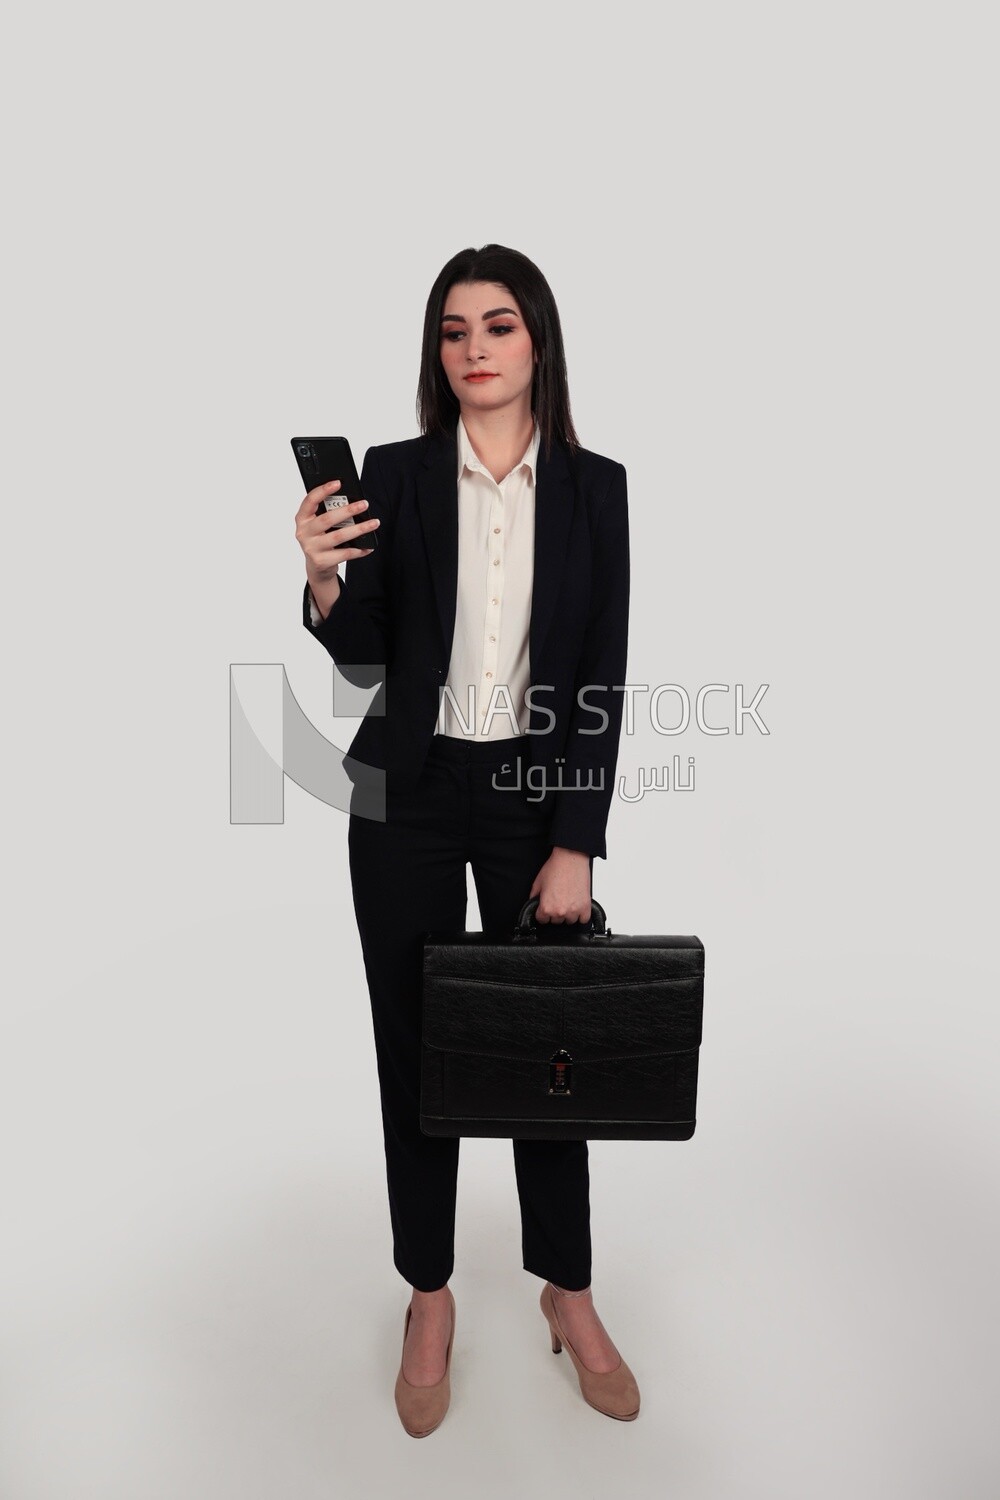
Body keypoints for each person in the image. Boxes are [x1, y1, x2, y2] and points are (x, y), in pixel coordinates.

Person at [294, 244, 636, 1435]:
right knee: (418, 1052)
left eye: (497, 325)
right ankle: (428, 1294)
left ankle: (567, 1286)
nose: (475, 347)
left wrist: (575, 841)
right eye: (452, 330)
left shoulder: (597, 489)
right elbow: (367, 661)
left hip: (537, 801)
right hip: (409, 798)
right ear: (437, 354)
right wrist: (327, 582)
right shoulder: (394, 475)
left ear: (537, 341)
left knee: (551, 1052)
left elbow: (599, 675)